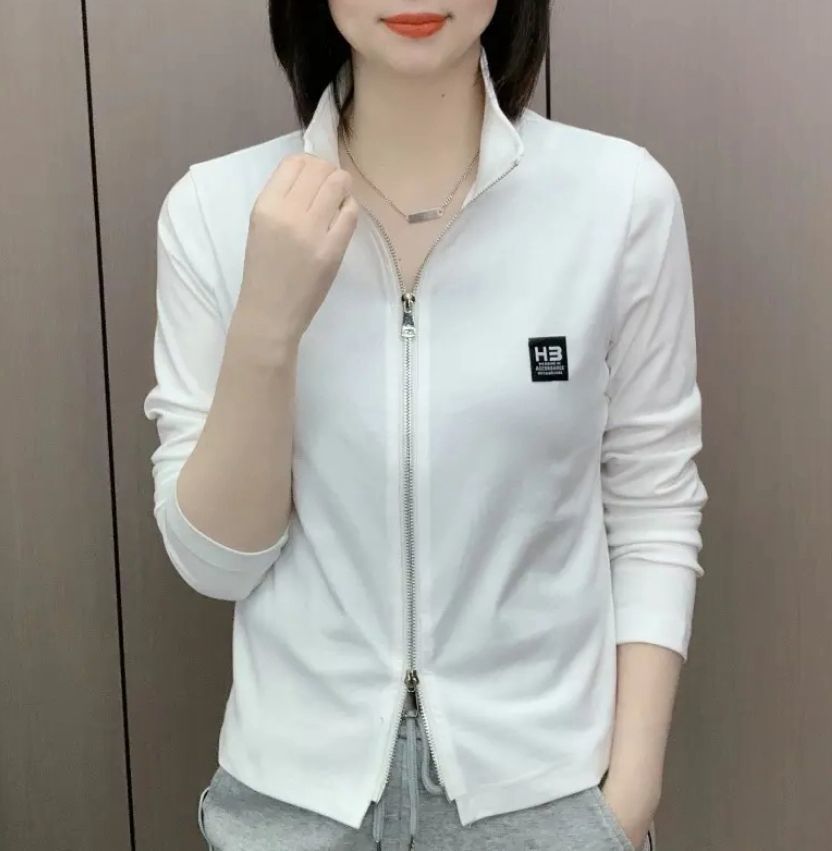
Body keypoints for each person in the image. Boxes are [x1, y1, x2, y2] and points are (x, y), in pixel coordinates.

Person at [142, 1, 708, 849]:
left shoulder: (618, 200)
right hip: (295, 808)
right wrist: (266, 323)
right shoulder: (216, 211)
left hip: (547, 801)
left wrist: (626, 799)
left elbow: (653, 505)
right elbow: (218, 563)